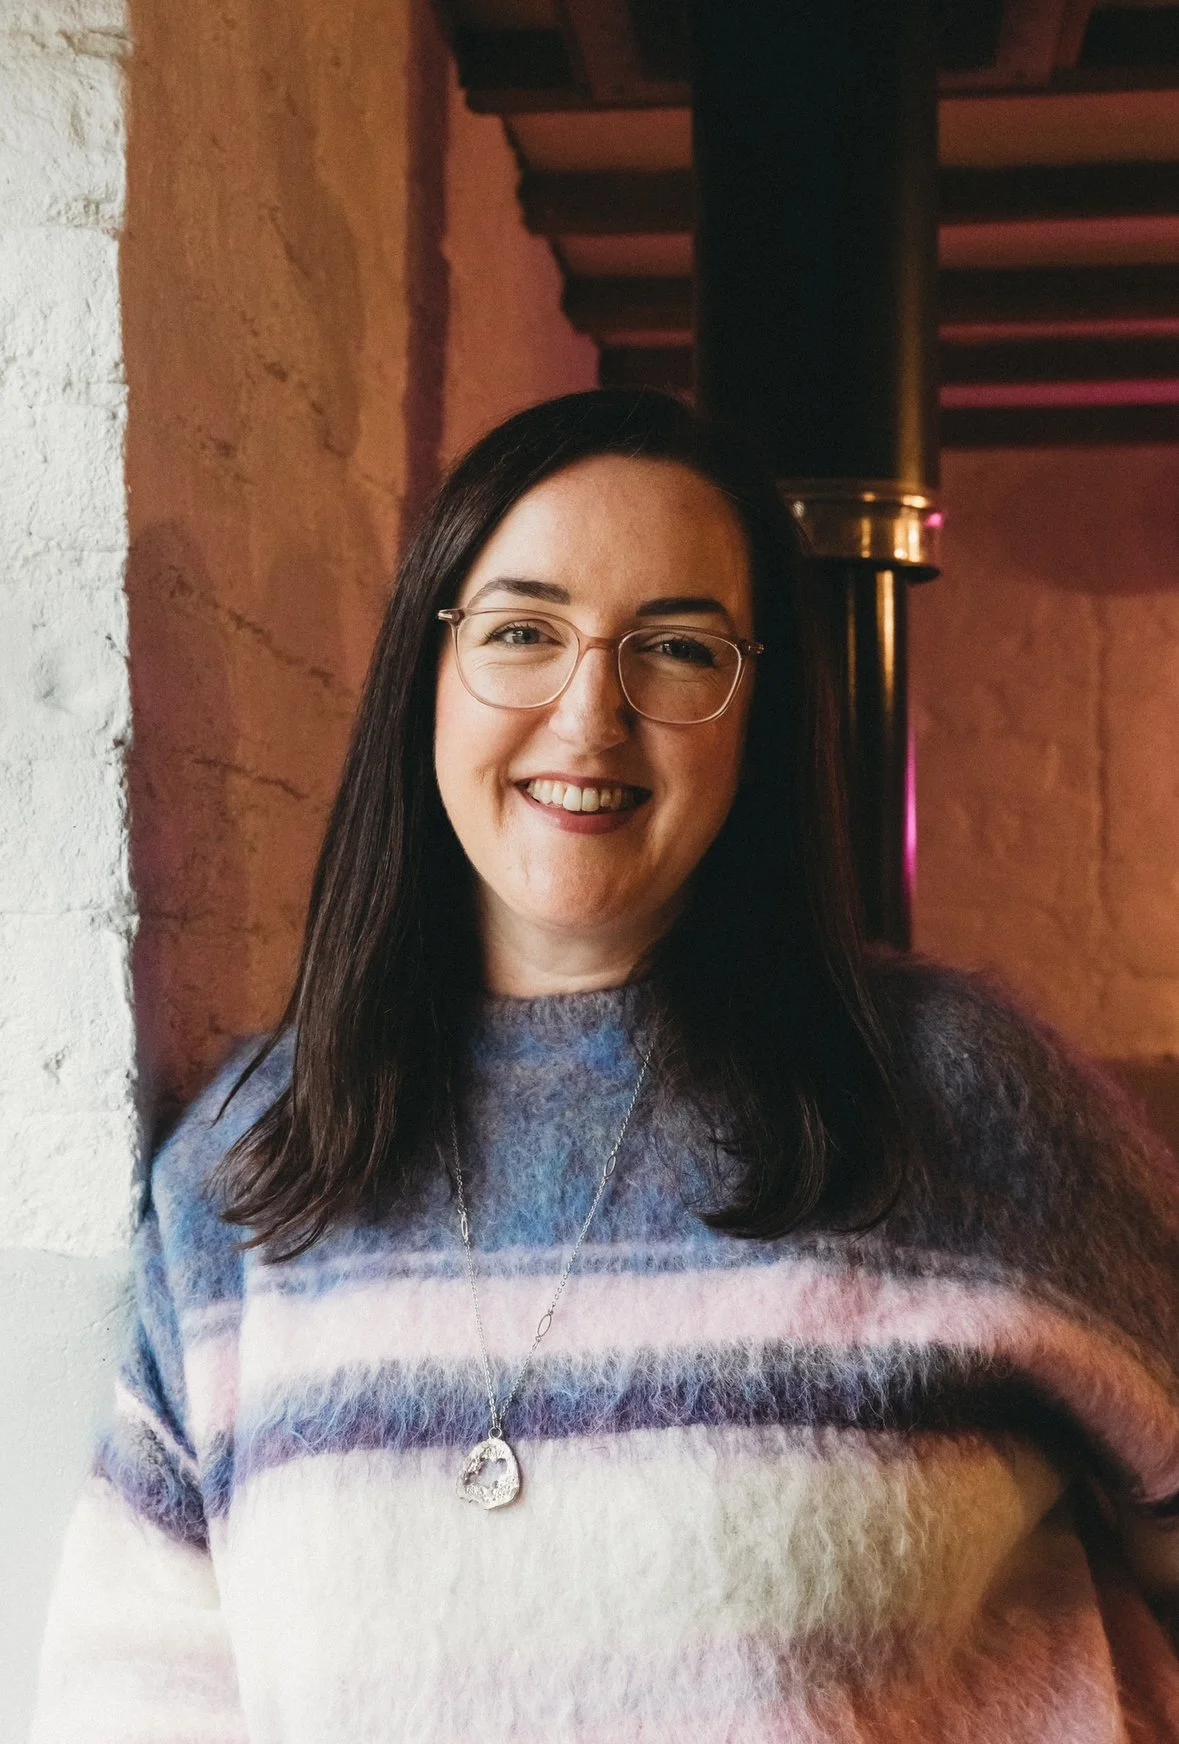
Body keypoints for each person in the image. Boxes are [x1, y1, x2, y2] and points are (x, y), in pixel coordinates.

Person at [30, 389, 1179, 1742]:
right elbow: (136, 1697)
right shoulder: (248, 1167)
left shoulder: (947, 1092)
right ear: (427, 677)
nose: (589, 719)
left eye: (677, 652)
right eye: (523, 631)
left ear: (755, 717)